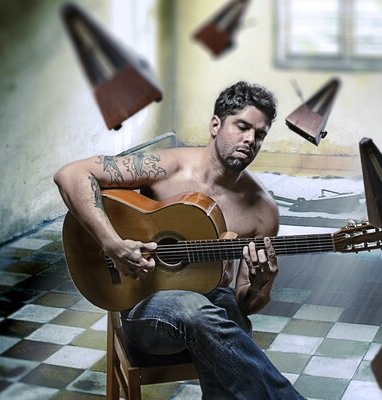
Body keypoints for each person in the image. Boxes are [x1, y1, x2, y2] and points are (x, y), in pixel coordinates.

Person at [54, 81, 305, 399]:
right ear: (216, 125)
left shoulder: (262, 212)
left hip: (213, 309)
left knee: (224, 318)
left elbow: (245, 304)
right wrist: (112, 244)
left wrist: (260, 285)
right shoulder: (166, 167)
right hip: (144, 304)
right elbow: (71, 174)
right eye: (242, 127)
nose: (250, 140)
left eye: (260, 134)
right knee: (199, 313)